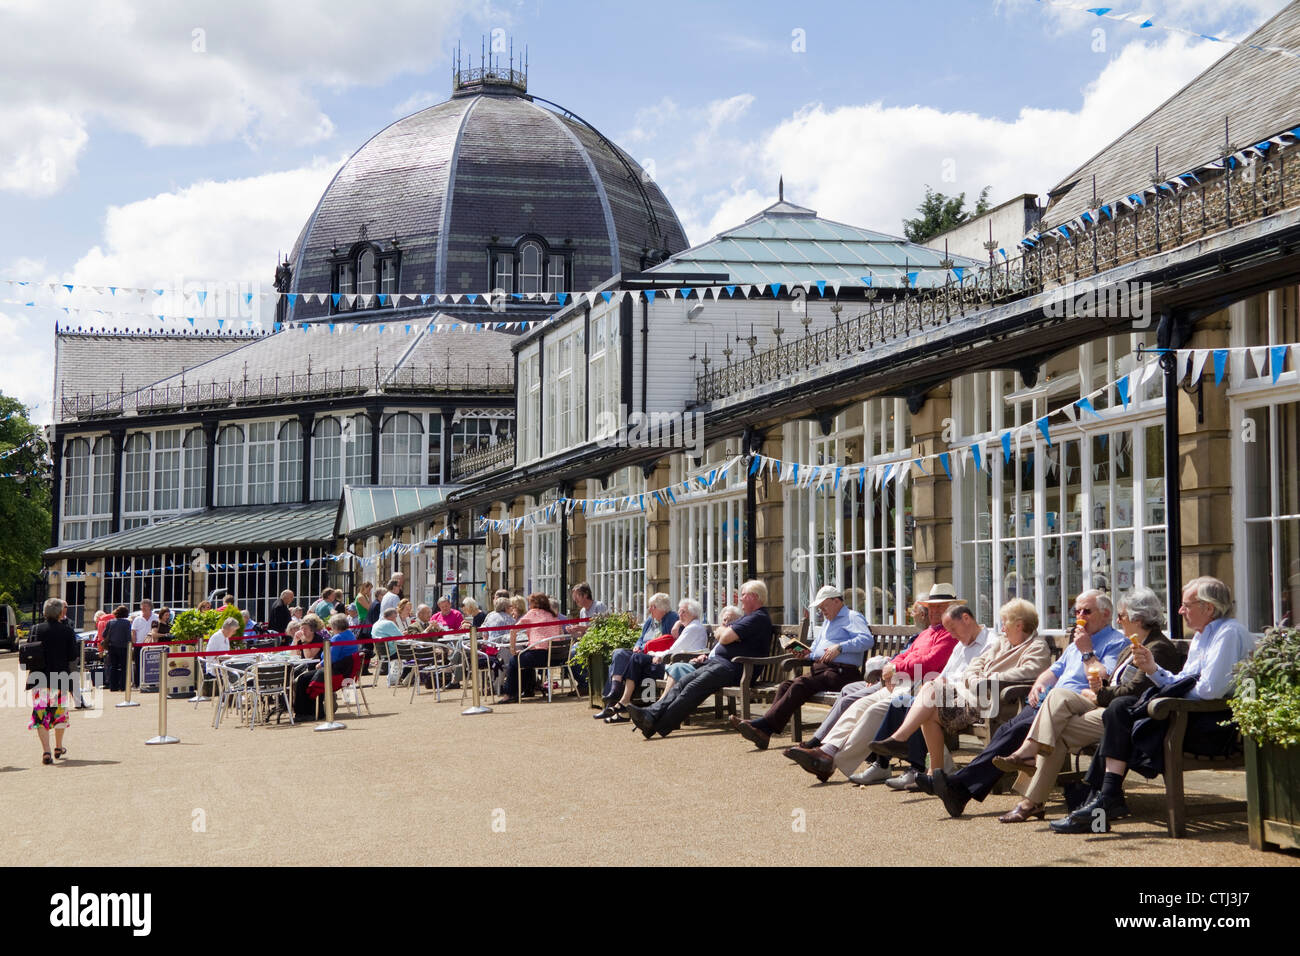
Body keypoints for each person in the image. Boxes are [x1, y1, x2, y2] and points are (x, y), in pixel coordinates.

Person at [1051, 577, 1254, 833]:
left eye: (1186, 605)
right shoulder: (1203, 636)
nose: (1180, 611)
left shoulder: (1229, 634)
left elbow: (1209, 690)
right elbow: (1182, 680)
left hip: (1212, 725)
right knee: (1120, 710)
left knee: (1121, 713)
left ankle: (1100, 799)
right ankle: (1105, 797)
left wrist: (1166, 685)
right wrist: (1153, 669)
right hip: (1186, 717)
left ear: (1209, 608)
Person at [928, 589, 1127, 818]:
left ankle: (961, 787)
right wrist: (1038, 684)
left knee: (1022, 729)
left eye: (1087, 611)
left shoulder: (1113, 642)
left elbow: (1103, 679)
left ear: (1106, 614)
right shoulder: (1076, 642)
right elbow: (1052, 671)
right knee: (1007, 728)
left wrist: (1086, 651)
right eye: (1077, 611)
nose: (1080, 616)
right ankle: (960, 791)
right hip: (1051, 701)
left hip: (1079, 703)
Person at [994, 588, 1182, 823]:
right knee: (1056, 711)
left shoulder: (1153, 647)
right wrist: (1098, 688)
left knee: (1056, 712)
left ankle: (1029, 763)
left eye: (1121, 616)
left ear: (1138, 618)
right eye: (1077, 611)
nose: (1118, 620)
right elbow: (1113, 680)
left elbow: (1133, 691)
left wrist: (1099, 692)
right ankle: (1031, 801)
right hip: (1103, 708)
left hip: (1127, 719)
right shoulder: (1133, 645)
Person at [865, 600, 1050, 790]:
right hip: (969, 698)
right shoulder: (1003, 643)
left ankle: (900, 739)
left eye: (1005, 623)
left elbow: (1029, 671)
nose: (1002, 629)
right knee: (928, 708)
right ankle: (934, 774)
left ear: (1019, 625)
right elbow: (975, 665)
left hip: (993, 703)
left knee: (927, 690)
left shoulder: (1036, 647)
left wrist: (987, 678)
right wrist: (975, 677)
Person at [785, 584, 962, 782]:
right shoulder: (927, 633)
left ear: (952, 609)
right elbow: (904, 655)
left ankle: (833, 761)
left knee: (873, 710)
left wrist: (896, 668)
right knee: (859, 704)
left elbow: (929, 662)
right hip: (901, 682)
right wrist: (893, 666)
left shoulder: (950, 634)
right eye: (932, 607)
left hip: (921, 687)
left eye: (940, 607)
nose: (934, 611)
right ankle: (828, 750)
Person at [731, 585, 874, 750]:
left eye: (824, 606)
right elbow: (816, 650)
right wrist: (805, 654)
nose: (821, 611)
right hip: (824, 670)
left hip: (842, 672)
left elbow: (867, 640)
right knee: (786, 685)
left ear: (836, 601)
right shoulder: (828, 622)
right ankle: (765, 732)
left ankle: (764, 726)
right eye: (819, 608)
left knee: (801, 685)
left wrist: (840, 647)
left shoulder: (852, 616)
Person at [628, 580, 775, 739]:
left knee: (693, 688)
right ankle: (651, 716)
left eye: (743, 595)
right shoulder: (747, 618)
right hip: (720, 664)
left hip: (737, 668)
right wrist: (726, 633)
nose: (740, 599)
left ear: (754, 597)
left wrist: (726, 633)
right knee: (683, 682)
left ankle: (655, 724)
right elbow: (723, 633)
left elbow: (724, 636)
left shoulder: (757, 618)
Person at [598, 598, 709, 723]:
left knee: (636, 659)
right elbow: (673, 648)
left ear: (693, 614)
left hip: (677, 663)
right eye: (679, 611)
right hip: (672, 660)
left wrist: (655, 654)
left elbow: (674, 650)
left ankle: (623, 702)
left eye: (683, 612)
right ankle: (623, 702)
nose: (680, 614)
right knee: (629, 658)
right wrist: (654, 653)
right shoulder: (691, 626)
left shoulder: (692, 628)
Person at [596, 593, 679, 716]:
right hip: (641, 652)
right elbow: (641, 638)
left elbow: (671, 641)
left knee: (629, 659)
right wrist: (637, 645)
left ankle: (612, 704)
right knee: (619, 653)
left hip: (653, 655)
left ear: (662, 608)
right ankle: (615, 690)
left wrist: (677, 624)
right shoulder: (650, 620)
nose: (649, 609)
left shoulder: (671, 617)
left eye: (653, 607)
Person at [26, 598, 80, 765]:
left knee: (40, 714)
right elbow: (72, 656)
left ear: (44, 612)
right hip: (60, 677)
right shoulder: (67, 631)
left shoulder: (35, 629)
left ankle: (46, 751)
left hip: (39, 677)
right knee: (60, 714)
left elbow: (28, 652)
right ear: (60, 612)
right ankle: (58, 746)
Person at [496, 594, 565, 702]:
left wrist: (513, 650)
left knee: (515, 660)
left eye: (530, 603)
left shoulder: (533, 613)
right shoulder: (553, 615)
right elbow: (561, 635)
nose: (529, 606)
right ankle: (528, 689)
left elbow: (513, 630)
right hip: (557, 657)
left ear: (535, 604)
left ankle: (510, 694)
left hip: (541, 656)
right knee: (524, 658)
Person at [294, 613, 359, 719]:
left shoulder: (338, 638)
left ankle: (306, 712)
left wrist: (320, 664)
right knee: (305, 678)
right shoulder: (350, 634)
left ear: (335, 626)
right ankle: (308, 711)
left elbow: (331, 657)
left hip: (336, 671)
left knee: (303, 679)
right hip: (344, 670)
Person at [371, 606, 405, 686]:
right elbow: (400, 637)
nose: (396, 619)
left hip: (381, 652)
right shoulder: (389, 623)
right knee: (412, 652)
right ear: (392, 617)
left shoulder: (376, 624)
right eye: (395, 617)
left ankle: (397, 676)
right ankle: (404, 677)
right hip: (391, 652)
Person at [102, 605, 133, 692]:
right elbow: (128, 637)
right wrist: (130, 646)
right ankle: (123, 686)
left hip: (112, 647)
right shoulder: (127, 623)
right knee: (124, 667)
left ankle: (113, 686)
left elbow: (104, 634)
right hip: (123, 647)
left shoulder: (110, 622)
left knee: (113, 667)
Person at [129, 599, 157, 688]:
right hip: (139, 644)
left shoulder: (156, 617)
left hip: (152, 644)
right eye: (142, 606)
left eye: (145, 606)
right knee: (138, 664)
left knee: (152, 664)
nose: (143, 608)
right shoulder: (137, 619)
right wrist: (134, 643)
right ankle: (138, 683)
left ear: (150, 607)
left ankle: (152, 682)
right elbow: (133, 631)